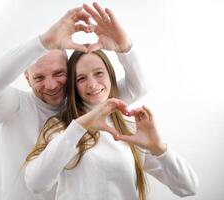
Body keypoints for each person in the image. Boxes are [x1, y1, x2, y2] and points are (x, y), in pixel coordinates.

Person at [0, 2, 147, 200]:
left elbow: (139, 86)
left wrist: (124, 46)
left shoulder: (86, 106)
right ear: (27, 77)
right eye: (39, 77)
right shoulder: (14, 106)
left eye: (59, 73)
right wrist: (43, 43)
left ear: (71, 71)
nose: (51, 85)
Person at [24, 45, 199, 199]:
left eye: (98, 73)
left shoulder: (129, 128)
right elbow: (36, 184)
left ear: (111, 75)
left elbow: (188, 188)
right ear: (73, 85)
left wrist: (159, 148)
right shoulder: (60, 128)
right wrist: (80, 126)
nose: (92, 84)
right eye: (81, 78)